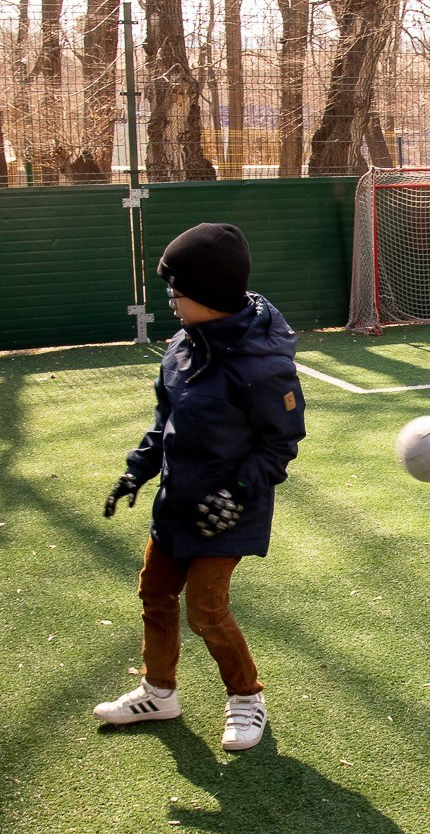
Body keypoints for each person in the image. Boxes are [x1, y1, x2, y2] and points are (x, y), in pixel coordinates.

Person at [93, 223, 306, 752]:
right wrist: (137, 469)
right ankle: (158, 692)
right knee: (154, 591)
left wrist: (236, 492)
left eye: (176, 289)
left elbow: (280, 445)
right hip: (178, 502)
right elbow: (164, 420)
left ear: (207, 296)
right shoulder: (181, 346)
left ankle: (246, 696)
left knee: (206, 610)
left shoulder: (263, 366)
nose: (169, 298)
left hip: (227, 512)